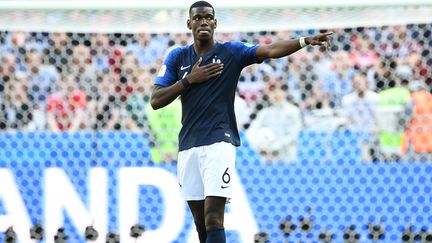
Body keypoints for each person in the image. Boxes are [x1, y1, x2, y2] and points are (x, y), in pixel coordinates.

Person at [150, 1, 332, 242]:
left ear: (215, 23)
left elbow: (269, 50)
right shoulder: (177, 57)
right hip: (188, 145)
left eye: (208, 17)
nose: (203, 21)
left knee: (214, 217)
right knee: (200, 225)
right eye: (198, 18)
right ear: (189, 23)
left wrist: (304, 41)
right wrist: (188, 81)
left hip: (219, 142)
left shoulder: (231, 52)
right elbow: (156, 100)